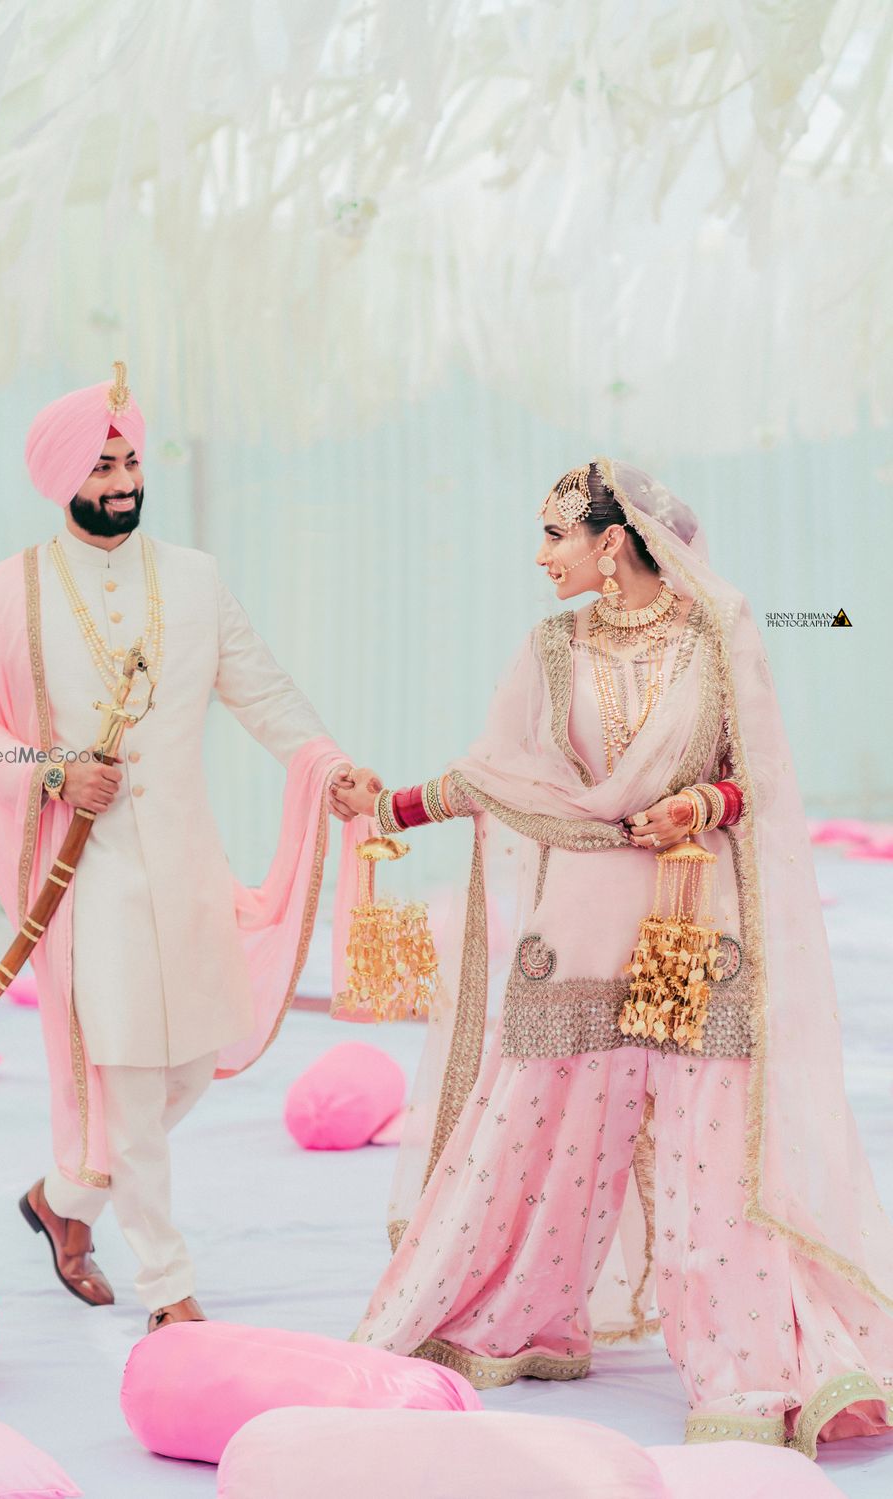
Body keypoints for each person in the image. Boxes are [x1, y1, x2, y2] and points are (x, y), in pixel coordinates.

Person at [334, 458, 893, 1457]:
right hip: (583, 914)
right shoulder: (548, 647)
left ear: (612, 541)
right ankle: (515, 1314)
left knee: (710, 1146)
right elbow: (498, 774)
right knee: (537, 1121)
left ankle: (745, 1365)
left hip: (688, 914)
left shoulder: (718, 638)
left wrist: (698, 804)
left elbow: (755, 777)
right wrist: (387, 808)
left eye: (555, 533)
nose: (540, 553)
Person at [0, 363, 361, 1333]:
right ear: (61, 475)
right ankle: (169, 1288)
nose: (123, 479)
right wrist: (47, 768)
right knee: (126, 1076)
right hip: (90, 886)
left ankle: (62, 1197)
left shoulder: (196, 578)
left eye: (130, 458)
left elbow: (262, 690)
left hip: (187, 868)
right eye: (103, 463)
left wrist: (327, 762)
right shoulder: (10, 593)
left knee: (187, 1070)